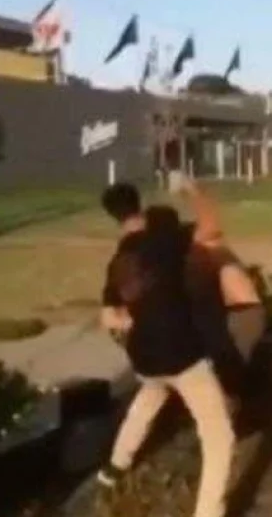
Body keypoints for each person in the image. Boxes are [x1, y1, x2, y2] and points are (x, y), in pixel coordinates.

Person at [97, 183, 235, 517]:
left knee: (150, 396)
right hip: (181, 356)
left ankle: (114, 467)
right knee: (220, 437)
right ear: (140, 206)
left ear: (114, 217)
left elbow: (109, 319)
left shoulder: (117, 262)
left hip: (144, 358)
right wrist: (191, 189)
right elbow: (212, 227)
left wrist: (135, 321)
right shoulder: (165, 240)